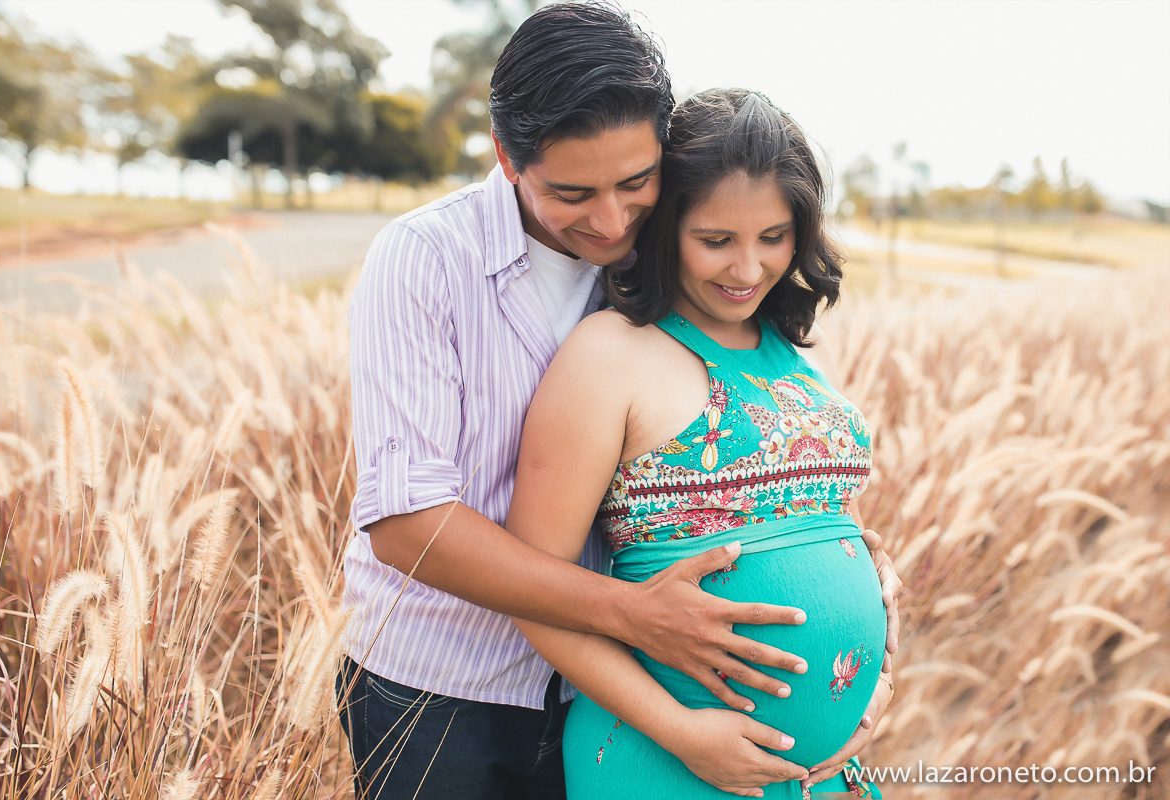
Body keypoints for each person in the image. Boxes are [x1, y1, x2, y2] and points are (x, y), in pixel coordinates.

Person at [338, 5, 901, 798]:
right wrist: (628, 613)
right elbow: (405, 522)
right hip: (443, 688)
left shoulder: (673, 256)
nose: (610, 222)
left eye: (636, 184)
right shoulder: (425, 259)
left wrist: (840, 557)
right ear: (506, 157)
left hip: (606, 691)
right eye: (573, 192)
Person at [505, 88, 890, 799]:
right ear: (665, 227)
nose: (747, 270)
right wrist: (683, 733)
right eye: (716, 240)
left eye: (773, 237)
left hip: (819, 772)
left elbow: (825, 521)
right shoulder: (609, 355)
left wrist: (876, 648)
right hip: (667, 760)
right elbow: (533, 589)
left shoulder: (798, 350)